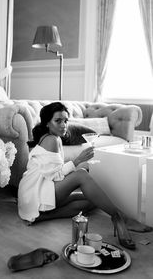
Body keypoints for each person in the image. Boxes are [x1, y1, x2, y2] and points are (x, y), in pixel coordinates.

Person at [18, 102, 152, 250]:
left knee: (94, 200)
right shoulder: (51, 140)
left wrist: (77, 164)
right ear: (47, 123)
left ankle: (43, 215)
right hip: (37, 191)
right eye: (58, 121)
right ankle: (120, 219)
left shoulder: (53, 137)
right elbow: (56, 176)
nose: (64, 125)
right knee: (81, 175)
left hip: (38, 191)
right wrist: (77, 161)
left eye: (65, 120)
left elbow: (54, 173)